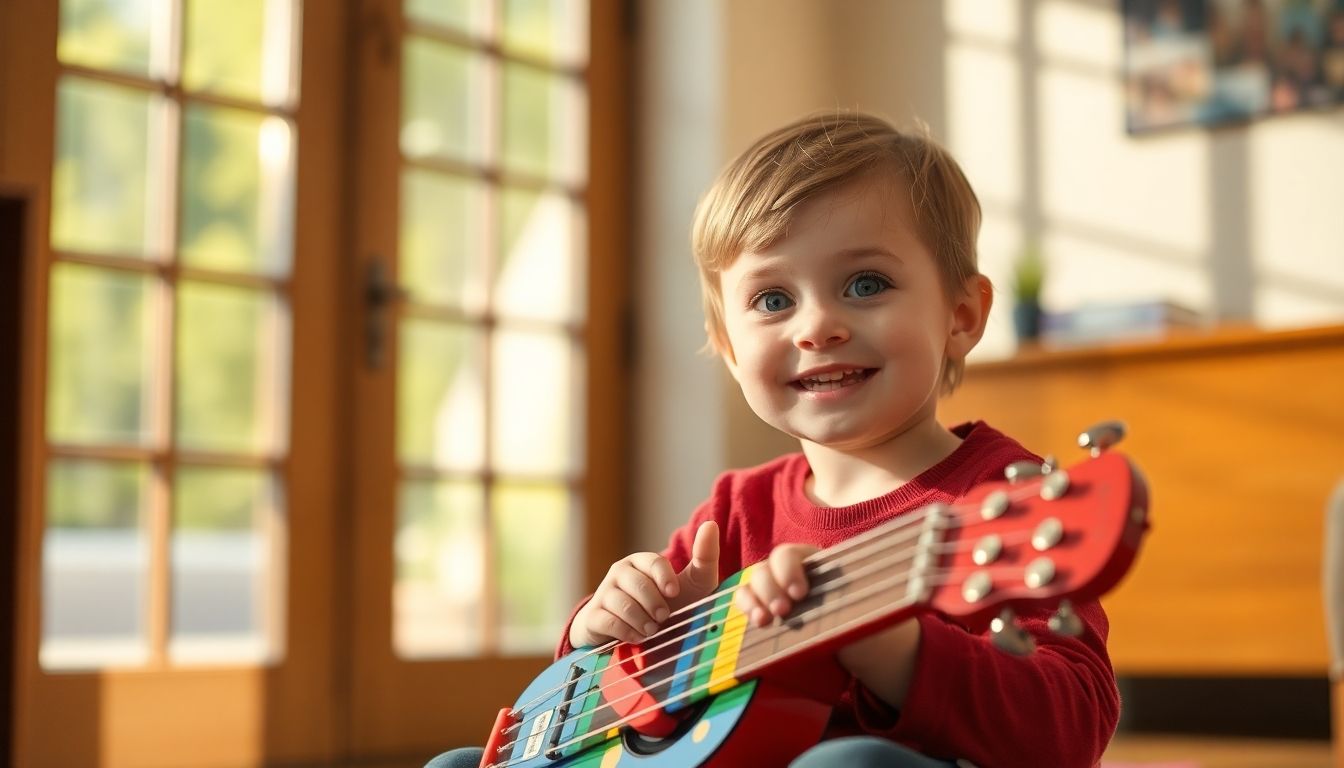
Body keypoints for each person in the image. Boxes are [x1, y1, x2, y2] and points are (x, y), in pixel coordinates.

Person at [426, 111, 1119, 768]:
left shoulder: (1008, 497)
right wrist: (604, 627)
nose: (817, 326)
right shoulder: (735, 511)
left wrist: (887, 643)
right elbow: (615, 714)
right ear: (728, 347)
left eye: (866, 283)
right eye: (773, 300)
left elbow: (1073, 726)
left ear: (962, 315)